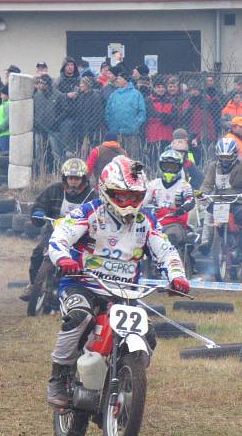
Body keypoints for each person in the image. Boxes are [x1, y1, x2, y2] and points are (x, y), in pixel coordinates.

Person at [44, 155, 190, 407]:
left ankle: (126, 375)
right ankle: (60, 376)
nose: (128, 202)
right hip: (82, 285)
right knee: (80, 316)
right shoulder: (89, 212)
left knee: (148, 334)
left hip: (124, 293)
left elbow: (166, 251)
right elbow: (60, 237)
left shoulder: (147, 222)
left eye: (134, 197)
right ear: (107, 191)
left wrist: (176, 276)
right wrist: (64, 259)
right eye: (121, 195)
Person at [21, 158, 96, 302]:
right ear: (65, 178)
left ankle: (85, 290)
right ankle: (32, 286)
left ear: (83, 179)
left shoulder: (92, 195)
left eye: (77, 178)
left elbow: (99, 213)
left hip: (81, 234)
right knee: (37, 253)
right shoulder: (54, 189)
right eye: (70, 178)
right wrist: (38, 213)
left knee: (87, 260)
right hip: (54, 228)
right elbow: (39, 205)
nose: (73, 181)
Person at [198, 138, 242, 263]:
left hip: (240, 200)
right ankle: (206, 243)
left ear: (234, 155)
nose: (225, 160)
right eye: (222, 157)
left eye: (228, 157)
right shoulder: (213, 166)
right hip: (220, 200)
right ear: (218, 155)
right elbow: (207, 184)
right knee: (210, 211)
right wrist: (202, 193)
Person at [143, 149, 195, 250]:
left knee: (171, 238)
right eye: (166, 167)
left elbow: (191, 200)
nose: (169, 170)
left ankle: (172, 263)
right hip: (154, 222)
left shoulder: (184, 185)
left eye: (173, 167)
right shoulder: (154, 184)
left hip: (175, 223)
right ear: (161, 167)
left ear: (179, 168)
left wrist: (182, 209)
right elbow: (143, 201)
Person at [105, 64, 146, 153]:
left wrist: (135, 126)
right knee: (117, 156)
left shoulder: (136, 94)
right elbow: (108, 111)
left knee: (132, 156)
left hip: (131, 133)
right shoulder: (114, 95)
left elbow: (142, 113)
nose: (117, 80)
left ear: (125, 80)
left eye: (119, 79)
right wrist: (112, 126)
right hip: (116, 133)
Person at [0, 85, 11, 151]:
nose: (1, 96)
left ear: (7, 95)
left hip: (5, 134)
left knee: (6, 155)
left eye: (2, 94)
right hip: (2, 134)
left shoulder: (7, 105)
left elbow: (8, 119)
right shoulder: (5, 104)